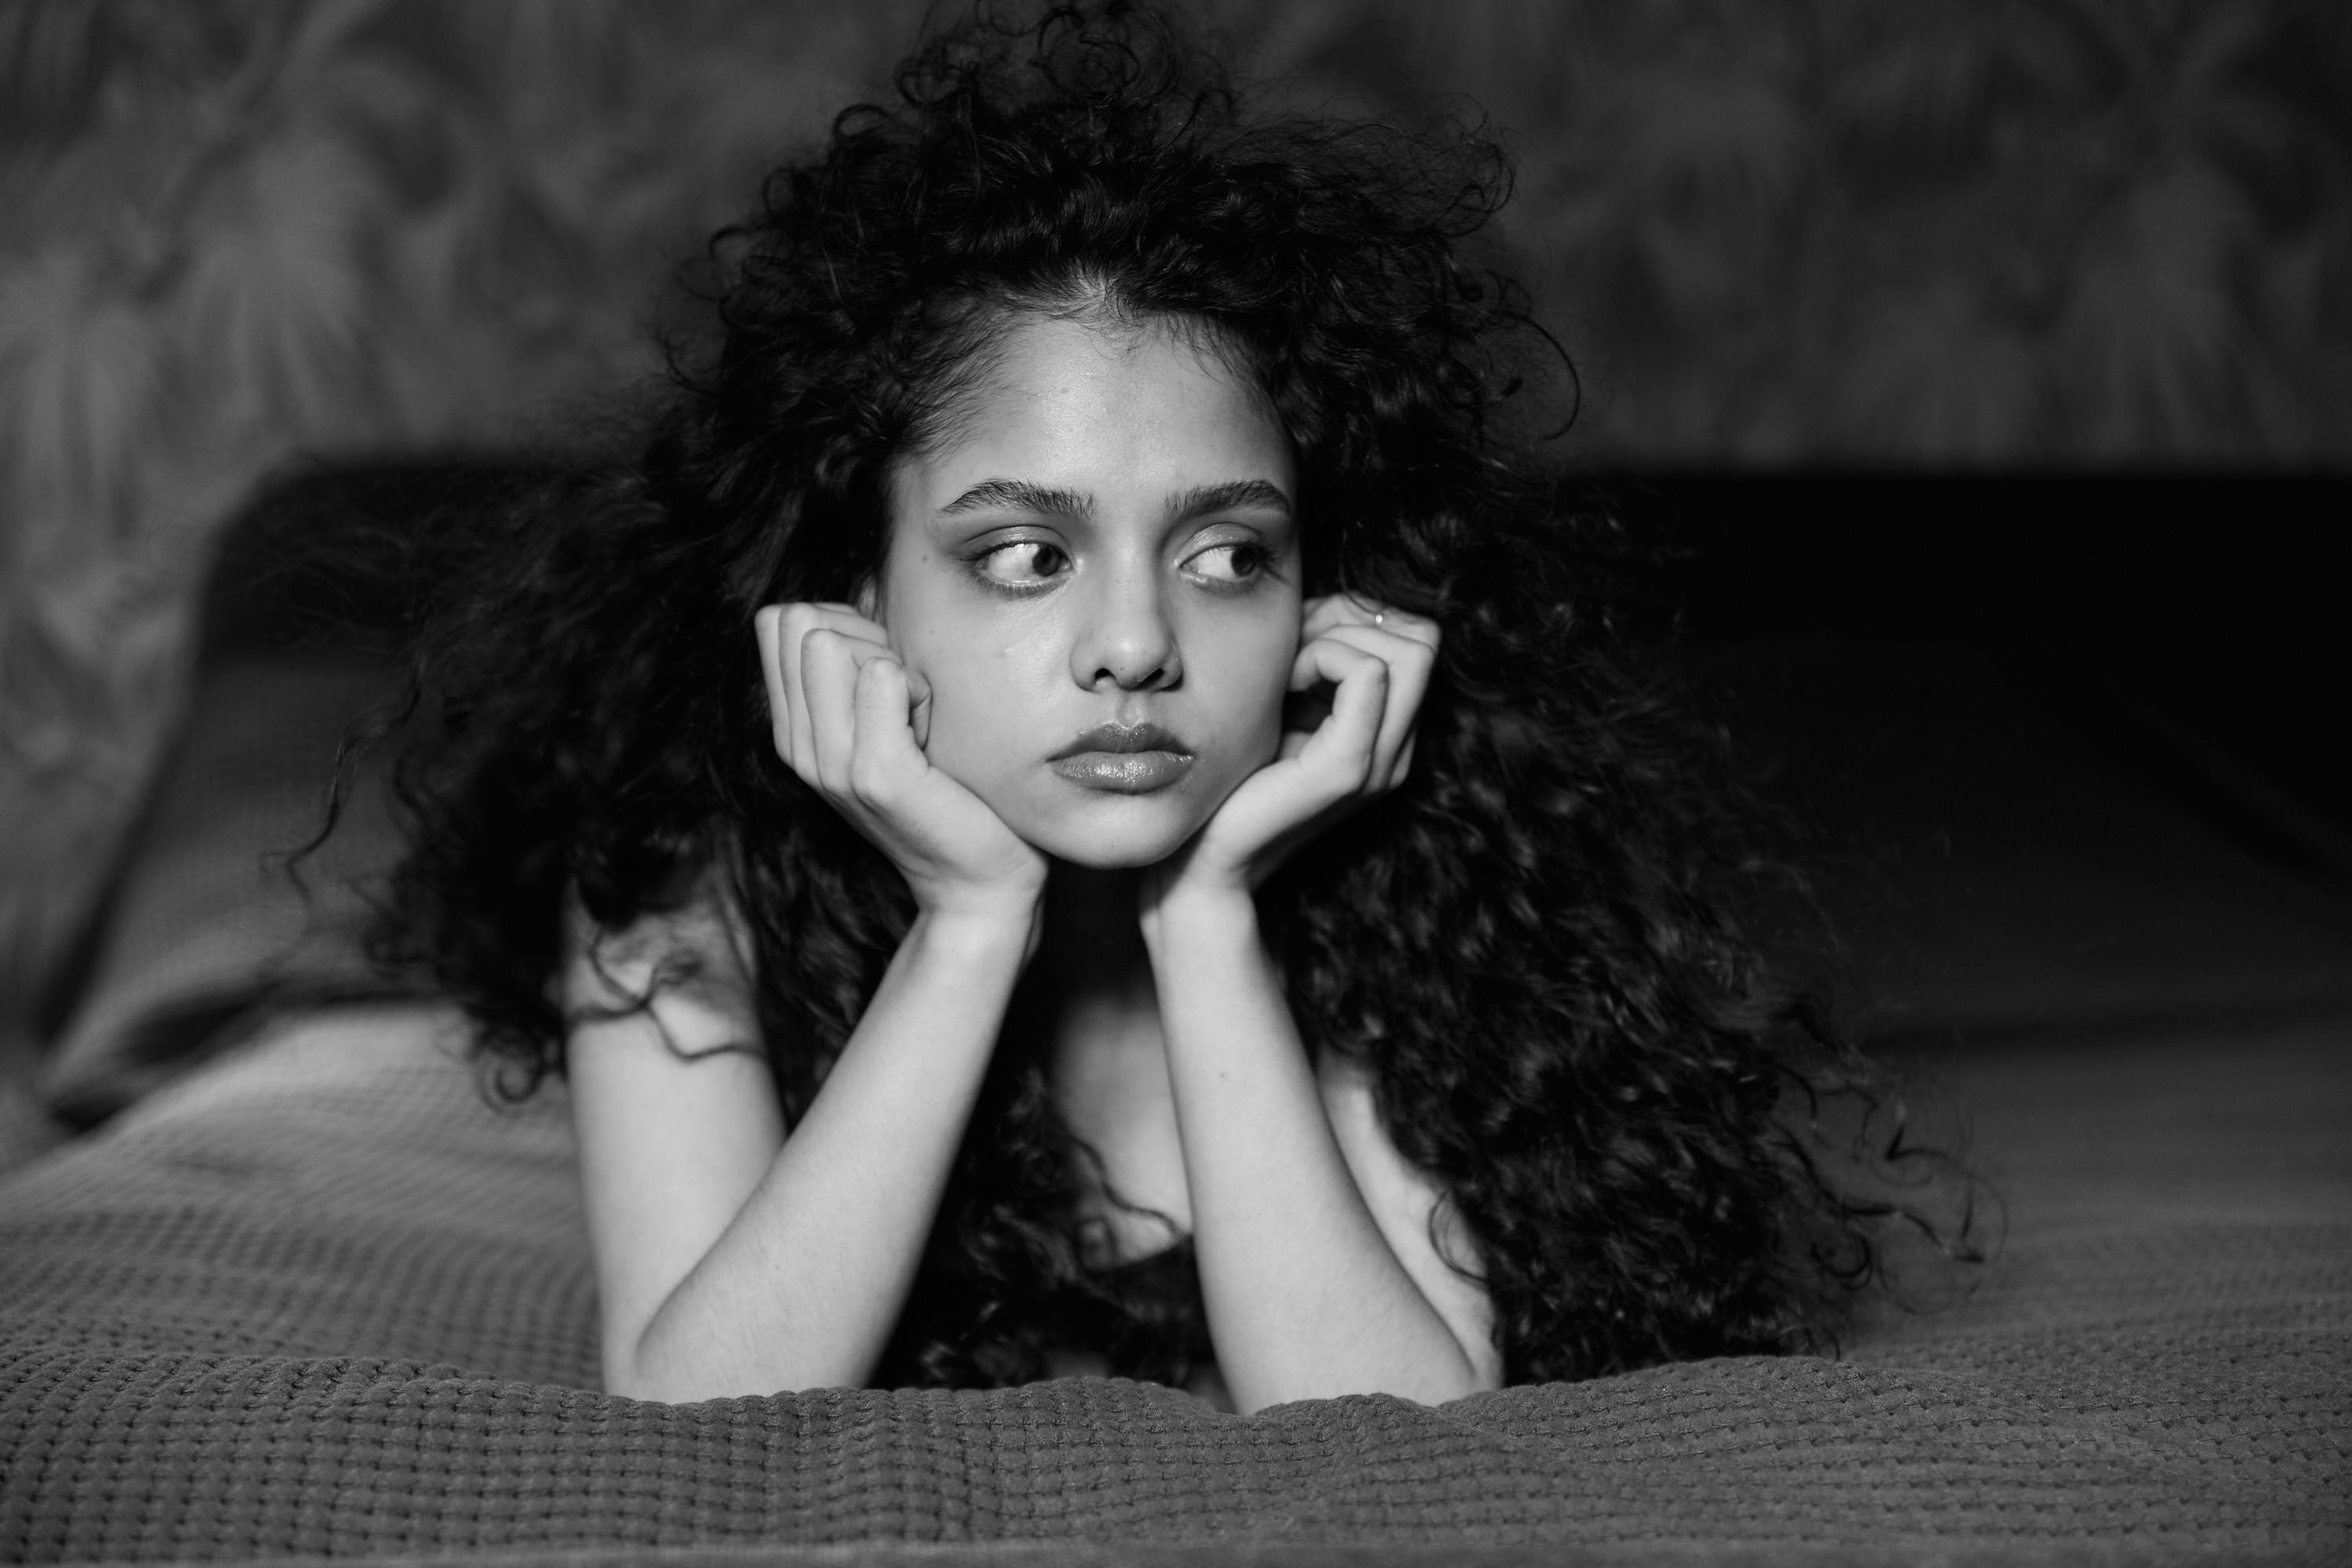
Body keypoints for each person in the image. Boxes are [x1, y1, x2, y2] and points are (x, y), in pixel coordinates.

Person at [361, 2, 1966, 1414]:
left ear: (1319, 605)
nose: (1134, 642)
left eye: (1225, 552)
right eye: (1025, 553)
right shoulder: (678, 898)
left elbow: (1392, 1422)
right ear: (857, 593)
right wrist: (966, 925)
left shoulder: (1407, 901)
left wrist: (1214, 923)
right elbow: (696, 1400)